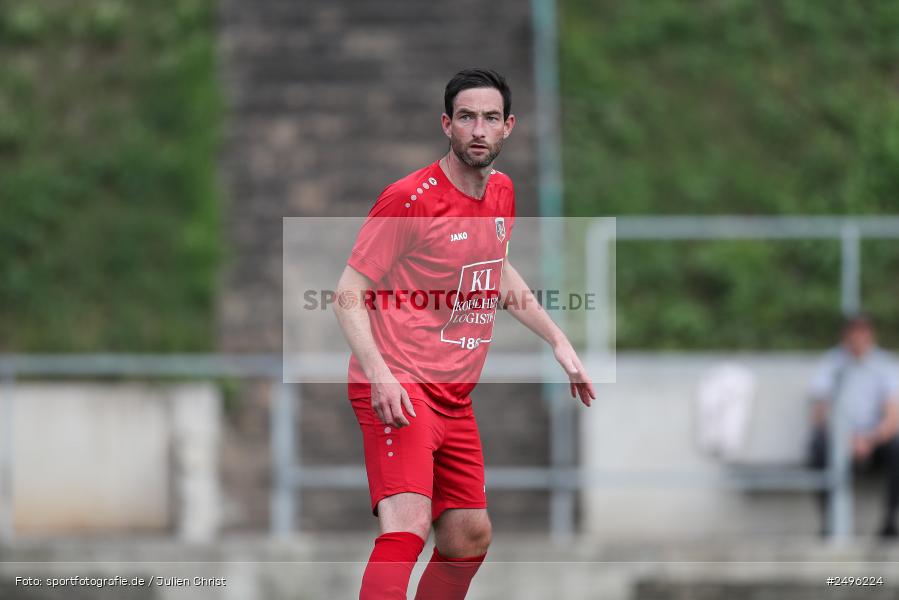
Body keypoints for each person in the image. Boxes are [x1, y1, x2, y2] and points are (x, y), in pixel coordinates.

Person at [332, 68, 595, 599]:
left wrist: (557, 338)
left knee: (468, 535)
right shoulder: (409, 198)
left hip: (453, 395)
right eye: (467, 117)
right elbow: (347, 292)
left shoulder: (502, 192)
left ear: (508, 127)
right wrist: (380, 375)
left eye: (490, 118)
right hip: (401, 383)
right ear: (446, 125)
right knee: (408, 521)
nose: (479, 129)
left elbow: (496, 268)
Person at [808, 314, 899, 538]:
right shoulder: (831, 363)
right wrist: (846, 440)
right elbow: (820, 413)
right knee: (817, 446)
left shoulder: (885, 365)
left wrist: (869, 440)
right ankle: (830, 523)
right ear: (845, 335)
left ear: (871, 335)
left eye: (863, 332)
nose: (858, 338)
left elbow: (893, 415)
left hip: (875, 439)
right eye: (854, 333)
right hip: (839, 437)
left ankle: (890, 521)